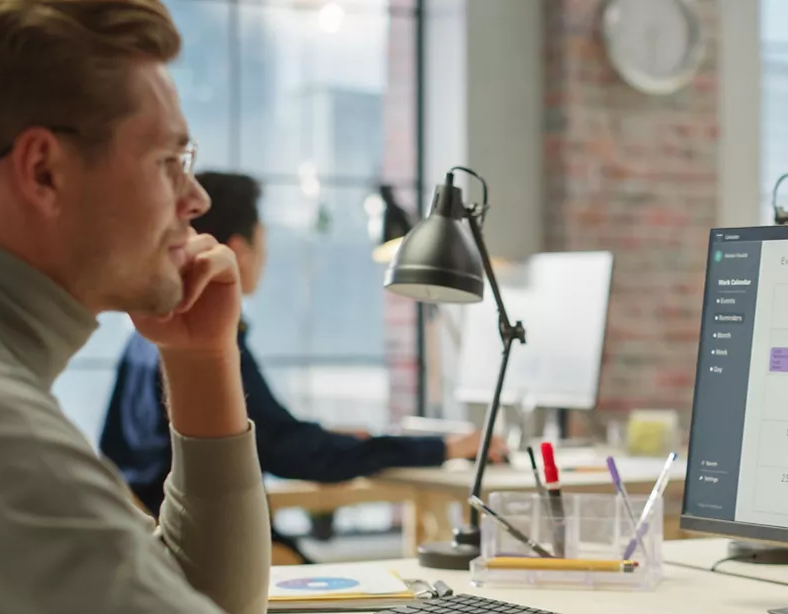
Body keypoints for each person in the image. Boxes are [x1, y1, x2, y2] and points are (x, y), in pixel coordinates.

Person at [0, 0, 269, 612]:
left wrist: (202, 359)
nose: (196, 197)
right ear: (43, 172)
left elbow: (204, 600)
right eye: (168, 162)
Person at [101, 171, 502, 520]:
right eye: (264, 240)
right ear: (239, 251)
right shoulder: (205, 347)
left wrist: (332, 437)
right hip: (203, 548)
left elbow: (265, 434)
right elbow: (292, 452)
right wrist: (443, 447)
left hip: (156, 538)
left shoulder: (151, 334)